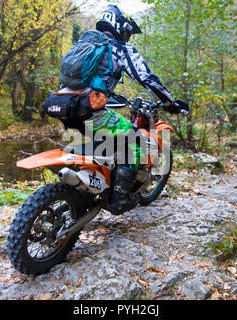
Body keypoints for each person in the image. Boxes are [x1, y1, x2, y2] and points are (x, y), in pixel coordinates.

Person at [58, 5, 185, 215]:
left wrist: (109, 96)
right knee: (135, 140)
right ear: (120, 28)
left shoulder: (84, 44)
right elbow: (147, 79)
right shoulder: (119, 48)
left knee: (102, 142)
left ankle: (93, 186)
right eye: (127, 33)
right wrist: (171, 104)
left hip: (62, 106)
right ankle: (119, 201)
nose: (128, 38)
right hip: (88, 110)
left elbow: (86, 82)